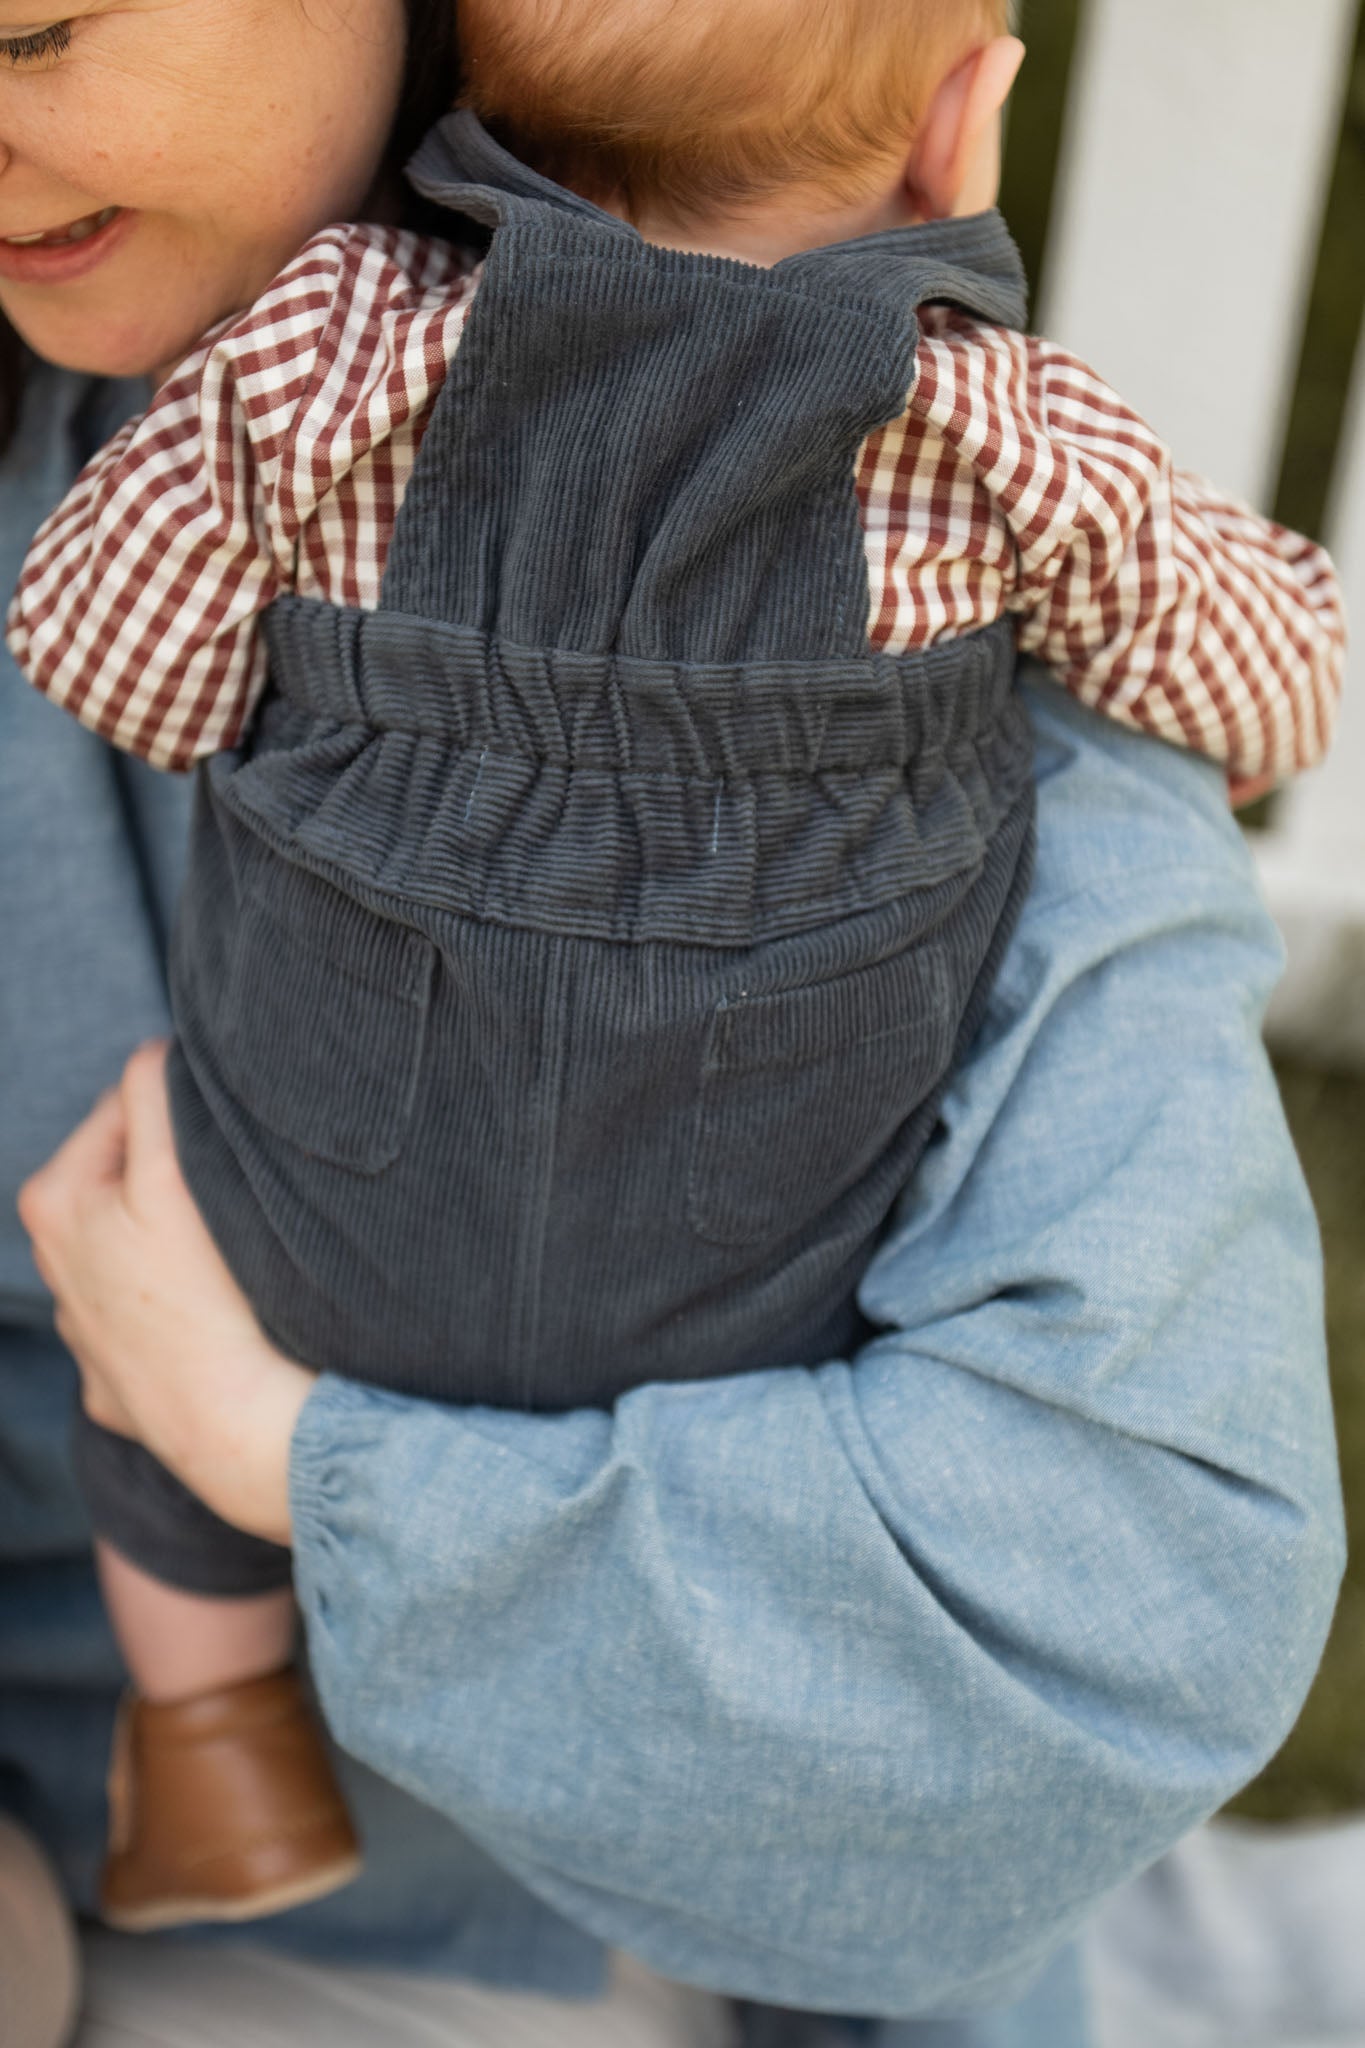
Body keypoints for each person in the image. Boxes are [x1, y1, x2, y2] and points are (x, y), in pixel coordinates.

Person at [0, 1, 1345, 2043]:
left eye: (37, 33)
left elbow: (1116, 1603)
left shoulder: (302, 371)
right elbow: (1258, 676)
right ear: (959, 121)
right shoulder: (980, 457)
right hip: (242, 1914)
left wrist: (281, 1449)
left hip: (794, 1894)